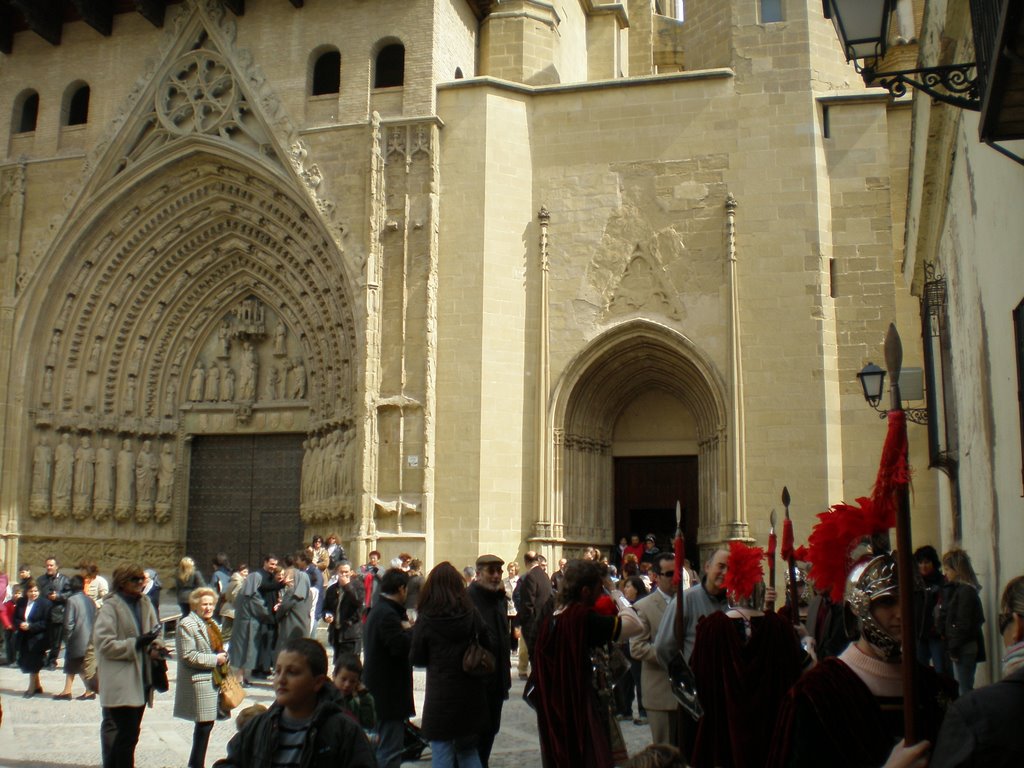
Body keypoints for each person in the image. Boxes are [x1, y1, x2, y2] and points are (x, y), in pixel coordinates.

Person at [767, 548, 955, 767]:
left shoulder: (934, 688)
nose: (902, 612)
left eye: (908, 598)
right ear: (859, 606)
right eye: (887, 602)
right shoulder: (816, 696)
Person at [689, 541, 807, 768]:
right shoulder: (779, 626)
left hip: (723, 730)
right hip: (770, 729)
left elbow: (700, 680)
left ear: (731, 589)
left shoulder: (711, 627)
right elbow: (794, 676)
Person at [531, 559, 643, 767]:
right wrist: (615, 592)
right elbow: (635, 624)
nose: (600, 594)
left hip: (556, 709)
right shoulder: (582, 619)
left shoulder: (552, 620)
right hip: (583, 706)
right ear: (585, 591)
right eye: (598, 589)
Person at [213, 637, 376, 767]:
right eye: (277, 671)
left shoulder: (342, 730)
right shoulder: (260, 726)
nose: (281, 679)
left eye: (292, 672)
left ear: (318, 682)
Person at [930, 574, 1024, 767]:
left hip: (961, 648)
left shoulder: (974, 713)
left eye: (1003, 620)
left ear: (1018, 626)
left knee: (963, 686)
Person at [411, 561, 493, 768]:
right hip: (469, 691)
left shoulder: (427, 619)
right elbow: (488, 643)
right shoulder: (471, 613)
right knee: (468, 750)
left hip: (441, 694)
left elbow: (417, 658)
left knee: (441, 750)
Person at [93, 562, 167, 768]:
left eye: (142, 579)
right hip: (121, 680)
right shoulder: (110, 607)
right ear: (123, 582)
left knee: (132, 734)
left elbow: (155, 632)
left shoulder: (145, 602)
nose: (141, 583)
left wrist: (156, 646)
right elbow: (104, 644)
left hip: (142, 679)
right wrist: (135, 643)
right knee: (126, 734)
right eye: (135, 579)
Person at [362, 567, 414, 768]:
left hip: (381, 691)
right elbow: (399, 646)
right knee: (389, 751)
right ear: (401, 589)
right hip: (388, 694)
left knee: (382, 748)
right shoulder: (388, 614)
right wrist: (412, 630)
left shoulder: (379, 609)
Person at [175, 587, 229, 768]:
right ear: (195, 605)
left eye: (211, 604)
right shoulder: (187, 624)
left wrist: (224, 655)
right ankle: (196, 764)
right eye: (204, 604)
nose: (208, 608)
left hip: (213, 680)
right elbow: (189, 655)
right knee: (204, 726)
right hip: (200, 681)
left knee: (206, 727)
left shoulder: (212, 623)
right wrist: (216, 659)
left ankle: (196, 763)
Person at [630, 552, 679, 746]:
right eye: (669, 574)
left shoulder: (688, 600)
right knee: (665, 753)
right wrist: (669, 655)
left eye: (677, 573)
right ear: (655, 577)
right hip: (661, 693)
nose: (675, 578)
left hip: (688, 694)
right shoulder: (644, 606)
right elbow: (637, 648)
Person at [468, 554, 512, 767]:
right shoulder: (468, 600)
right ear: (478, 573)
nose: (496, 576)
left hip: (498, 679)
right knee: (476, 733)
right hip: (478, 681)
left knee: (491, 730)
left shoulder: (499, 599)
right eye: (491, 571)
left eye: (499, 571)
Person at [654, 548, 730, 670]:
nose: (725, 572)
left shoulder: (736, 602)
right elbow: (663, 647)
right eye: (721, 566)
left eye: (730, 569)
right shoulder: (685, 600)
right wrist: (682, 676)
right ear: (707, 567)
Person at [229, 554, 283, 685]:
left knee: (243, 651)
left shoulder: (243, 594)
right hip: (248, 626)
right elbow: (262, 610)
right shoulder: (253, 596)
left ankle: (242, 677)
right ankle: (239, 679)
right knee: (245, 652)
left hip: (243, 624)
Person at [939, 548, 985, 695]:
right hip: (963, 645)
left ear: (957, 570)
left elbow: (963, 623)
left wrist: (954, 647)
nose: (945, 574)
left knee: (964, 689)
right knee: (963, 687)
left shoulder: (965, 591)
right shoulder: (961, 590)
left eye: (947, 569)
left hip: (963, 647)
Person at [55, 574, 97, 700]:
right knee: (74, 665)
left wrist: (67, 639)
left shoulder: (72, 600)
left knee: (76, 665)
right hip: (90, 638)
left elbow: (69, 623)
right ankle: (67, 690)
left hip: (77, 638)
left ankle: (89, 690)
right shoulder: (90, 600)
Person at [615, 574, 649, 725]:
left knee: (639, 679)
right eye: (625, 586)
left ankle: (644, 712)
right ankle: (625, 710)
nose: (626, 589)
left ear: (637, 588)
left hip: (636, 645)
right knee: (625, 680)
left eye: (629, 586)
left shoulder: (641, 604)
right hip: (625, 646)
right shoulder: (629, 603)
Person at [913, 545, 948, 675]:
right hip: (920, 634)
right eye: (920, 563)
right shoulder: (915, 583)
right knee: (921, 671)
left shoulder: (942, 582)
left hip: (936, 634)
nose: (923, 566)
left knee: (941, 670)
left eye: (927, 562)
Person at [14, 579, 52, 696]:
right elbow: (15, 617)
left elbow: (46, 623)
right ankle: (38, 685)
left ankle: (31, 688)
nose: (33, 593)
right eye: (31, 591)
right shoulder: (21, 602)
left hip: (37, 638)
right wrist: (20, 624)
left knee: (34, 662)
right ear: (26, 592)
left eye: (36, 591)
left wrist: (31, 626)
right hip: (24, 637)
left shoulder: (45, 604)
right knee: (26, 661)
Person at [274, 554, 311, 659]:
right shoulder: (308, 593)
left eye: (289, 577)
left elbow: (284, 607)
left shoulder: (292, 592)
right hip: (304, 625)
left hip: (290, 627)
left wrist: (277, 616)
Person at [36, 555, 70, 669]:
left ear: (57, 566)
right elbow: (37, 594)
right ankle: (43, 659)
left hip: (58, 614)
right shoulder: (41, 580)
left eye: (51, 565)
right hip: (44, 614)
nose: (49, 567)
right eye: (47, 565)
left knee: (56, 641)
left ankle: (52, 661)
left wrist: (58, 596)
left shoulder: (64, 580)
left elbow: (70, 594)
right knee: (42, 639)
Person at [324, 560, 363, 658]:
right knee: (338, 664)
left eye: (346, 572)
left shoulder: (358, 586)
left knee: (350, 665)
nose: (344, 574)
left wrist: (347, 586)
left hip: (351, 633)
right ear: (337, 572)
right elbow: (326, 607)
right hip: (336, 632)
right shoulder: (332, 589)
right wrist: (327, 615)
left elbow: (358, 602)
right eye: (342, 572)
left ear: (351, 572)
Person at [519, 550, 552, 658]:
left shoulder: (530, 576)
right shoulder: (545, 575)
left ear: (525, 562)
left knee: (534, 657)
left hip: (533, 624)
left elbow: (528, 602)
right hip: (546, 621)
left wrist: (524, 622)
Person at [333, 652, 377, 732]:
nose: (347, 685)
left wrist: (364, 697)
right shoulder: (326, 699)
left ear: (358, 683)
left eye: (352, 681)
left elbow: (369, 723)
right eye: (343, 679)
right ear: (334, 676)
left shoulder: (353, 704)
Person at [219, 563, 247, 643]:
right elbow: (236, 596)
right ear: (239, 572)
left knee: (226, 633)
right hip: (232, 611)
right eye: (244, 572)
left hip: (228, 609)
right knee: (227, 635)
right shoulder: (239, 583)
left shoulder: (233, 580)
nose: (246, 574)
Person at [209, 553, 232, 618]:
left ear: (215, 565)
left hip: (219, 602)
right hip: (229, 602)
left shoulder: (217, 574)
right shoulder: (230, 572)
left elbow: (212, 588)